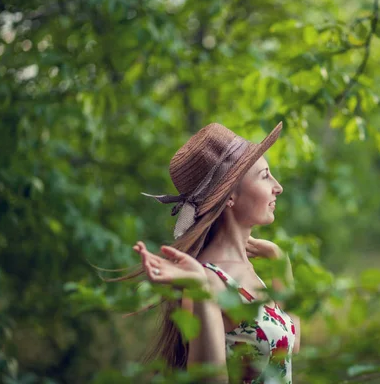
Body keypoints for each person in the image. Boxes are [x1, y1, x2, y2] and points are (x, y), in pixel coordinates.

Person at [127, 122, 300, 384]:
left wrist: (280, 262)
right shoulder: (210, 281)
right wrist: (200, 288)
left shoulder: (249, 269)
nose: (278, 187)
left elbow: (290, 343)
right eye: (265, 176)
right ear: (229, 196)